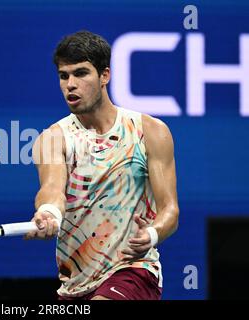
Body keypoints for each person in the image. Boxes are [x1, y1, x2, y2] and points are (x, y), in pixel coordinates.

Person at [24, 30, 179, 300]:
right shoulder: (52, 139)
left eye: (81, 73)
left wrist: (153, 234)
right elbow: (52, 188)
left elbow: (170, 210)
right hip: (74, 286)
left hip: (134, 271)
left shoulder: (150, 131)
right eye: (64, 76)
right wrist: (48, 211)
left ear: (104, 75)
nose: (70, 84)